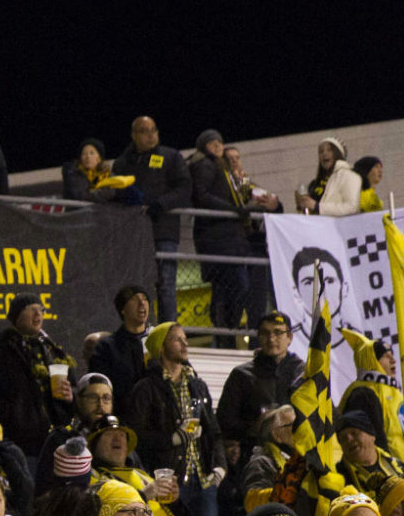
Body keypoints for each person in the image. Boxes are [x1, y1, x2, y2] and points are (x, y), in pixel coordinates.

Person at [126, 322, 227, 516]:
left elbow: (213, 431)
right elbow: (136, 436)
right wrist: (172, 438)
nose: (185, 343)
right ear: (161, 347)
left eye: (185, 338)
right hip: (167, 480)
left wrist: (220, 467)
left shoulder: (197, 385)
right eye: (177, 339)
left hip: (203, 479)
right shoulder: (145, 388)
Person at [111, 117, 190, 322]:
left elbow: (184, 189)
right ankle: (140, 332)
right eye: (144, 131)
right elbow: (113, 194)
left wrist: (160, 204)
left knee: (166, 285)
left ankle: (168, 333)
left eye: (153, 130)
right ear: (134, 135)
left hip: (164, 231)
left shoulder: (171, 157)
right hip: (133, 234)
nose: (151, 135)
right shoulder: (122, 163)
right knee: (136, 286)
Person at [190, 129, 262, 345]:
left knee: (226, 288)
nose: (217, 146)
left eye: (219, 142)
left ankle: (225, 331)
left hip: (227, 240)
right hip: (219, 240)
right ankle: (226, 328)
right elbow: (201, 195)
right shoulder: (205, 165)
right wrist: (233, 210)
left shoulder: (218, 168)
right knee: (237, 285)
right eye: (212, 143)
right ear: (204, 147)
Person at [0, 293, 74, 459]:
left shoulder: (53, 350)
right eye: (32, 310)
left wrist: (71, 396)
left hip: (57, 439)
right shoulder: (0, 353)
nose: (38, 314)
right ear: (17, 315)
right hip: (21, 441)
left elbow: (75, 388)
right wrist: (16, 417)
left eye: (41, 310)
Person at [216, 312, 303, 463]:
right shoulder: (241, 375)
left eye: (278, 332)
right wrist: (256, 427)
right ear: (258, 337)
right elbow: (224, 422)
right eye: (265, 333)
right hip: (253, 457)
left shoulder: (304, 374)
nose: (271, 339)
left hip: (297, 459)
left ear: (289, 337)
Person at [89, 286, 154, 417]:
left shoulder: (158, 341)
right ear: (123, 309)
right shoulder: (107, 347)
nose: (142, 303)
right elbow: (100, 386)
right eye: (134, 299)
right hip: (125, 417)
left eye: (145, 299)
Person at [63, 137, 141, 204]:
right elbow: (83, 196)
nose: (88, 157)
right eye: (84, 154)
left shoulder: (106, 173)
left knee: (130, 190)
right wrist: (110, 191)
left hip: (101, 211)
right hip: (78, 211)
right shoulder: (74, 172)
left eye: (91, 153)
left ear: (99, 158)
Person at [302, 136, 362, 217]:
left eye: (329, 150)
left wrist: (317, 207)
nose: (324, 154)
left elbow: (352, 207)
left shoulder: (349, 176)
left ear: (338, 153)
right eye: (321, 151)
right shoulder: (314, 184)